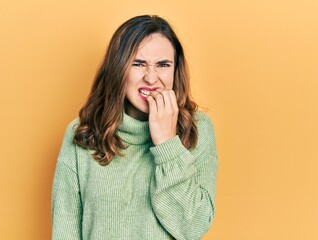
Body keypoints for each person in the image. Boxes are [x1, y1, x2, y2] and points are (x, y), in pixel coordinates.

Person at [52, 15, 218, 240]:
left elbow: (193, 228)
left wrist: (168, 145)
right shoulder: (84, 133)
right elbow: (65, 231)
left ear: (175, 70)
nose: (151, 78)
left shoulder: (197, 129)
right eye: (138, 64)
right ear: (119, 69)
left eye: (163, 65)